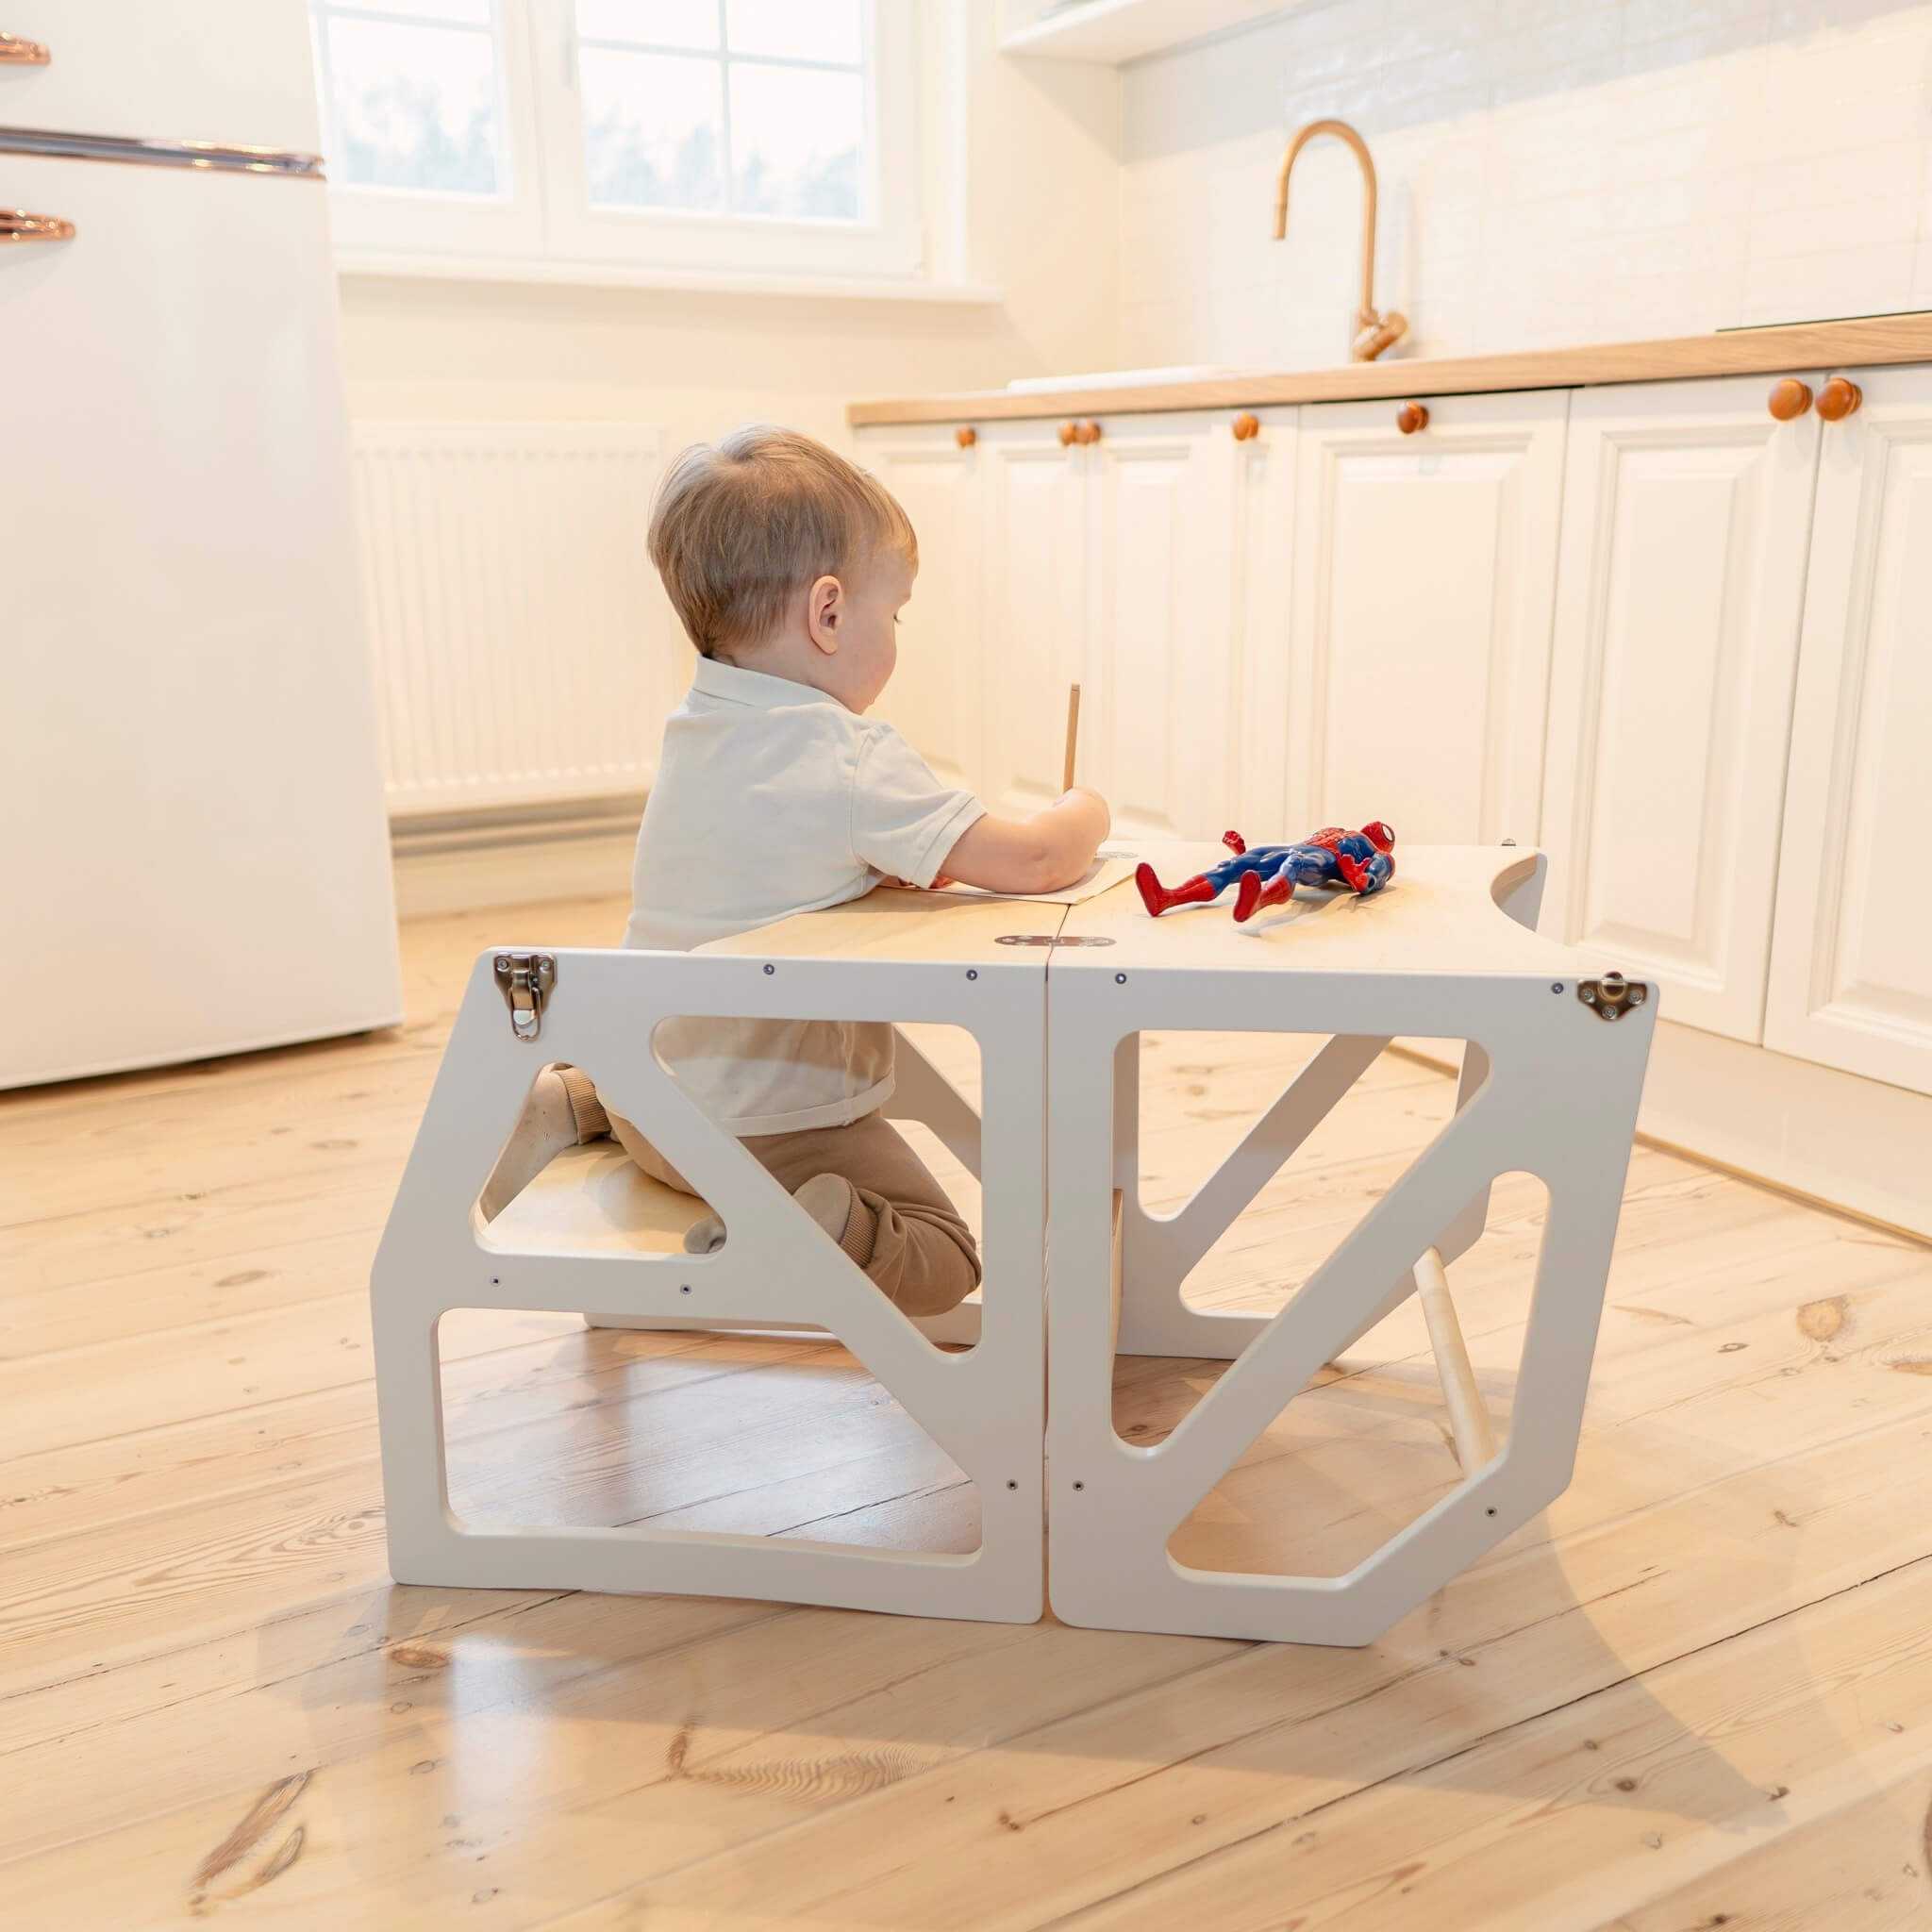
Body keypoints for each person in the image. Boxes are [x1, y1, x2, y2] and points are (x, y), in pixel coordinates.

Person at [490, 425, 1110, 1316]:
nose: (895, 635)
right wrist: (1084, 807)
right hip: (762, 1134)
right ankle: (803, 1233)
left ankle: (571, 1106)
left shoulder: (698, 726)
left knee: (670, 1052)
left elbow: (776, 859)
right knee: (946, 1256)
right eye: (891, 614)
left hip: (647, 1102)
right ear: (828, 613)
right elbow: (1040, 859)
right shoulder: (848, 754)